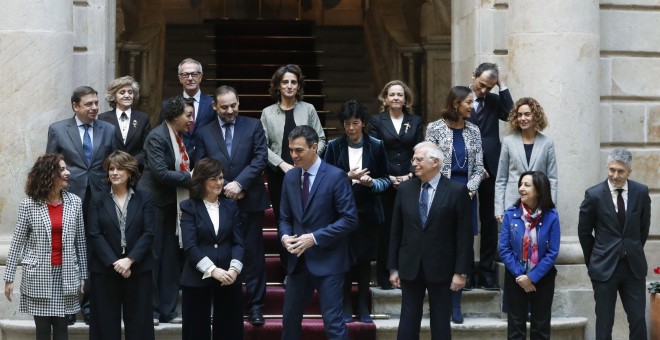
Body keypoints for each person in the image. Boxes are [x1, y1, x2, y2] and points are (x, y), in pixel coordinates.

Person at [194, 85, 269, 325]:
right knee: (223, 253)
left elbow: (260, 158)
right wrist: (221, 187)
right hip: (219, 202)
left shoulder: (254, 125)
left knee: (253, 253)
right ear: (214, 106)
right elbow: (202, 164)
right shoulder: (204, 131)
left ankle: (256, 306)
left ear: (239, 102)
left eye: (233, 105)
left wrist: (239, 184)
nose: (230, 110)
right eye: (224, 106)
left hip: (249, 199)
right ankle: (226, 305)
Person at [46, 85, 117, 324]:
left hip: (100, 198)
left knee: (94, 249)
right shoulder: (58, 129)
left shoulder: (108, 129)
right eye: (89, 104)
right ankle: (66, 306)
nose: (95, 108)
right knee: (68, 249)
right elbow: (50, 166)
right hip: (68, 198)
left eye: (96, 103)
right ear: (75, 106)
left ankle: (88, 307)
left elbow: (114, 164)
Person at [279, 125, 358, 340]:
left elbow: (350, 219)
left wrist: (314, 238)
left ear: (314, 148)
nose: (293, 156)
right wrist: (286, 237)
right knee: (289, 322)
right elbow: (285, 218)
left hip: (329, 261)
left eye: (299, 150)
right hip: (298, 262)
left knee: (333, 324)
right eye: (291, 150)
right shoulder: (290, 178)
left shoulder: (336, 176)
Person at [388, 142, 472, 340]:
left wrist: (460, 272)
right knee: (408, 320)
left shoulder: (456, 191)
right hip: (410, 265)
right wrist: (393, 267)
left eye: (419, 159)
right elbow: (395, 231)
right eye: (413, 160)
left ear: (435, 162)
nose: (414, 164)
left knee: (441, 321)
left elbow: (464, 236)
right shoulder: (405, 190)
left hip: (442, 268)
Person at [3, 153, 87, 340]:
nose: (68, 173)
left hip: (65, 274)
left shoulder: (75, 202)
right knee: (42, 332)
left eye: (66, 168)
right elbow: (17, 241)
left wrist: (83, 274)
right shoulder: (29, 205)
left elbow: (80, 241)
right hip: (38, 275)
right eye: (62, 169)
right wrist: (8, 278)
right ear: (48, 174)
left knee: (61, 331)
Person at [324, 100, 390, 323]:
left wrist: (372, 184)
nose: (351, 128)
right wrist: (347, 177)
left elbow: (386, 180)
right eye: (347, 123)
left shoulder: (377, 145)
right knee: (344, 259)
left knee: (363, 260)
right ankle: (345, 304)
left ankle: (362, 305)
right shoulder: (333, 146)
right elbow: (325, 180)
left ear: (363, 123)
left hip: (367, 211)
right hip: (341, 212)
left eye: (355, 123)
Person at [425, 85, 484, 324]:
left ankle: (456, 304)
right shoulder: (435, 128)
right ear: (455, 104)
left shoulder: (474, 130)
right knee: (439, 246)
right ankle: (439, 302)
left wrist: (468, 191)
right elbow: (427, 163)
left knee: (463, 247)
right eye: (469, 102)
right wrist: (445, 192)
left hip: (467, 195)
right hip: (440, 194)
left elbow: (480, 168)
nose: (473, 106)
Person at [578, 148, 651, 340]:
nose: (615, 175)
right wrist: (594, 259)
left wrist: (631, 250)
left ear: (629, 172)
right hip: (604, 268)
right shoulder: (593, 195)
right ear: (607, 168)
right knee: (604, 321)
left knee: (637, 319)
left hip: (633, 268)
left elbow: (643, 229)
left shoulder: (641, 192)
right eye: (612, 170)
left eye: (620, 171)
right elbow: (584, 233)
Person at [260, 64, 327, 271]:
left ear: (299, 86)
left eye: (293, 82)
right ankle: (289, 267)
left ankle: (311, 265)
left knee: (309, 216)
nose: (289, 86)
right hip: (280, 175)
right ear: (278, 86)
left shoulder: (308, 109)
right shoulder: (268, 112)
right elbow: (261, 145)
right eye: (285, 82)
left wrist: (310, 159)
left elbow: (321, 138)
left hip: (308, 174)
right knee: (285, 219)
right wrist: (281, 164)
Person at [86, 151, 155, 340]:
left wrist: (130, 260)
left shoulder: (145, 198)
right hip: (105, 269)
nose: (114, 172)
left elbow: (149, 233)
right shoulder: (97, 199)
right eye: (111, 168)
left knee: (140, 325)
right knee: (105, 325)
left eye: (120, 168)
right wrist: (116, 262)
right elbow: (94, 234)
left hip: (138, 269)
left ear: (130, 172)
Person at [138, 96, 193, 325]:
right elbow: (160, 173)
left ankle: (169, 311)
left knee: (170, 258)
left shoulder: (179, 136)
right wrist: (191, 178)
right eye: (188, 115)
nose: (191, 120)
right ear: (174, 116)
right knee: (154, 256)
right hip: (153, 203)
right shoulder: (157, 137)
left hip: (172, 204)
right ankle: (152, 310)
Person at [179, 158, 245, 340]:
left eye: (221, 178)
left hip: (229, 278)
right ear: (202, 181)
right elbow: (190, 246)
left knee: (229, 330)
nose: (219, 183)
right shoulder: (189, 207)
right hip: (198, 277)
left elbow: (238, 242)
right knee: (195, 331)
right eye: (213, 179)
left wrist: (234, 269)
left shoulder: (231, 206)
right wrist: (213, 270)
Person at [368, 80, 423, 289]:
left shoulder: (415, 121)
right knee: (385, 229)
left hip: (410, 181)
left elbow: (419, 150)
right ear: (385, 98)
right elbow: (373, 150)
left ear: (406, 98)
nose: (396, 98)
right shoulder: (376, 121)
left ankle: (406, 272)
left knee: (408, 227)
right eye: (392, 94)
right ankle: (385, 274)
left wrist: (410, 175)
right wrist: (388, 177)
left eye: (400, 94)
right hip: (385, 182)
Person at [467, 62, 514, 289]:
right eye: (482, 85)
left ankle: (486, 271)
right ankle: (464, 270)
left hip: (491, 168)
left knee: (489, 220)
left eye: (489, 87)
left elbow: (512, 115)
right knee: (465, 220)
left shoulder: (494, 100)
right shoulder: (460, 96)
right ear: (473, 76)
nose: (484, 91)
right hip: (464, 167)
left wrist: (502, 86)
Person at [499, 171, 560, 340]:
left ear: (539, 190)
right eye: (520, 184)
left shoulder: (552, 216)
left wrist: (532, 277)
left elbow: (552, 252)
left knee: (540, 327)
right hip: (515, 277)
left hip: (543, 277)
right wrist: (521, 275)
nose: (521, 189)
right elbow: (504, 249)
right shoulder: (510, 214)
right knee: (516, 327)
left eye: (526, 185)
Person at [495, 97, 558, 221]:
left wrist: (552, 207)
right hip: (513, 203)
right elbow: (501, 179)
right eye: (519, 115)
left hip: (540, 205)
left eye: (527, 114)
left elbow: (552, 179)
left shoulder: (547, 143)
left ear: (536, 116)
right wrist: (499, 209)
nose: (522, 118)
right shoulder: (508, 142)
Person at [160, 58, 217, 162]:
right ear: (179, 78)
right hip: (177, 161)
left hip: (205, 161)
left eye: (194, 74)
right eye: (185, 75)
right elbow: (163, 135)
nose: (190, 78)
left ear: (201, 77)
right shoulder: (168, 105)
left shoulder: (212, 104)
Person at [98, 76, 152, 171]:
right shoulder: (103, 118)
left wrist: (131, 163)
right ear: (114, 96)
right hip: (112, 171)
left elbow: (148, 147)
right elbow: (101, 148)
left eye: (130, 92)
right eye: (122, 92)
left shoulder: (143, 118)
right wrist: (115, 163)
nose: (127, 95)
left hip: (136, 171)